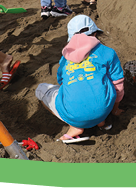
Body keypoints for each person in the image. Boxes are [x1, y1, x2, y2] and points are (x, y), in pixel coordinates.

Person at [36, 15, 124, 143]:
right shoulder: (107, 52)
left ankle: (74, 126)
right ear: (94, 33)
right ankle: (101, 121)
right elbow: (118, 84)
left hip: (74, 113)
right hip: (105, 109)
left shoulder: (65, 57)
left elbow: (61, 82)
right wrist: (115, 109)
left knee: (40, 89)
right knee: (106, 80)